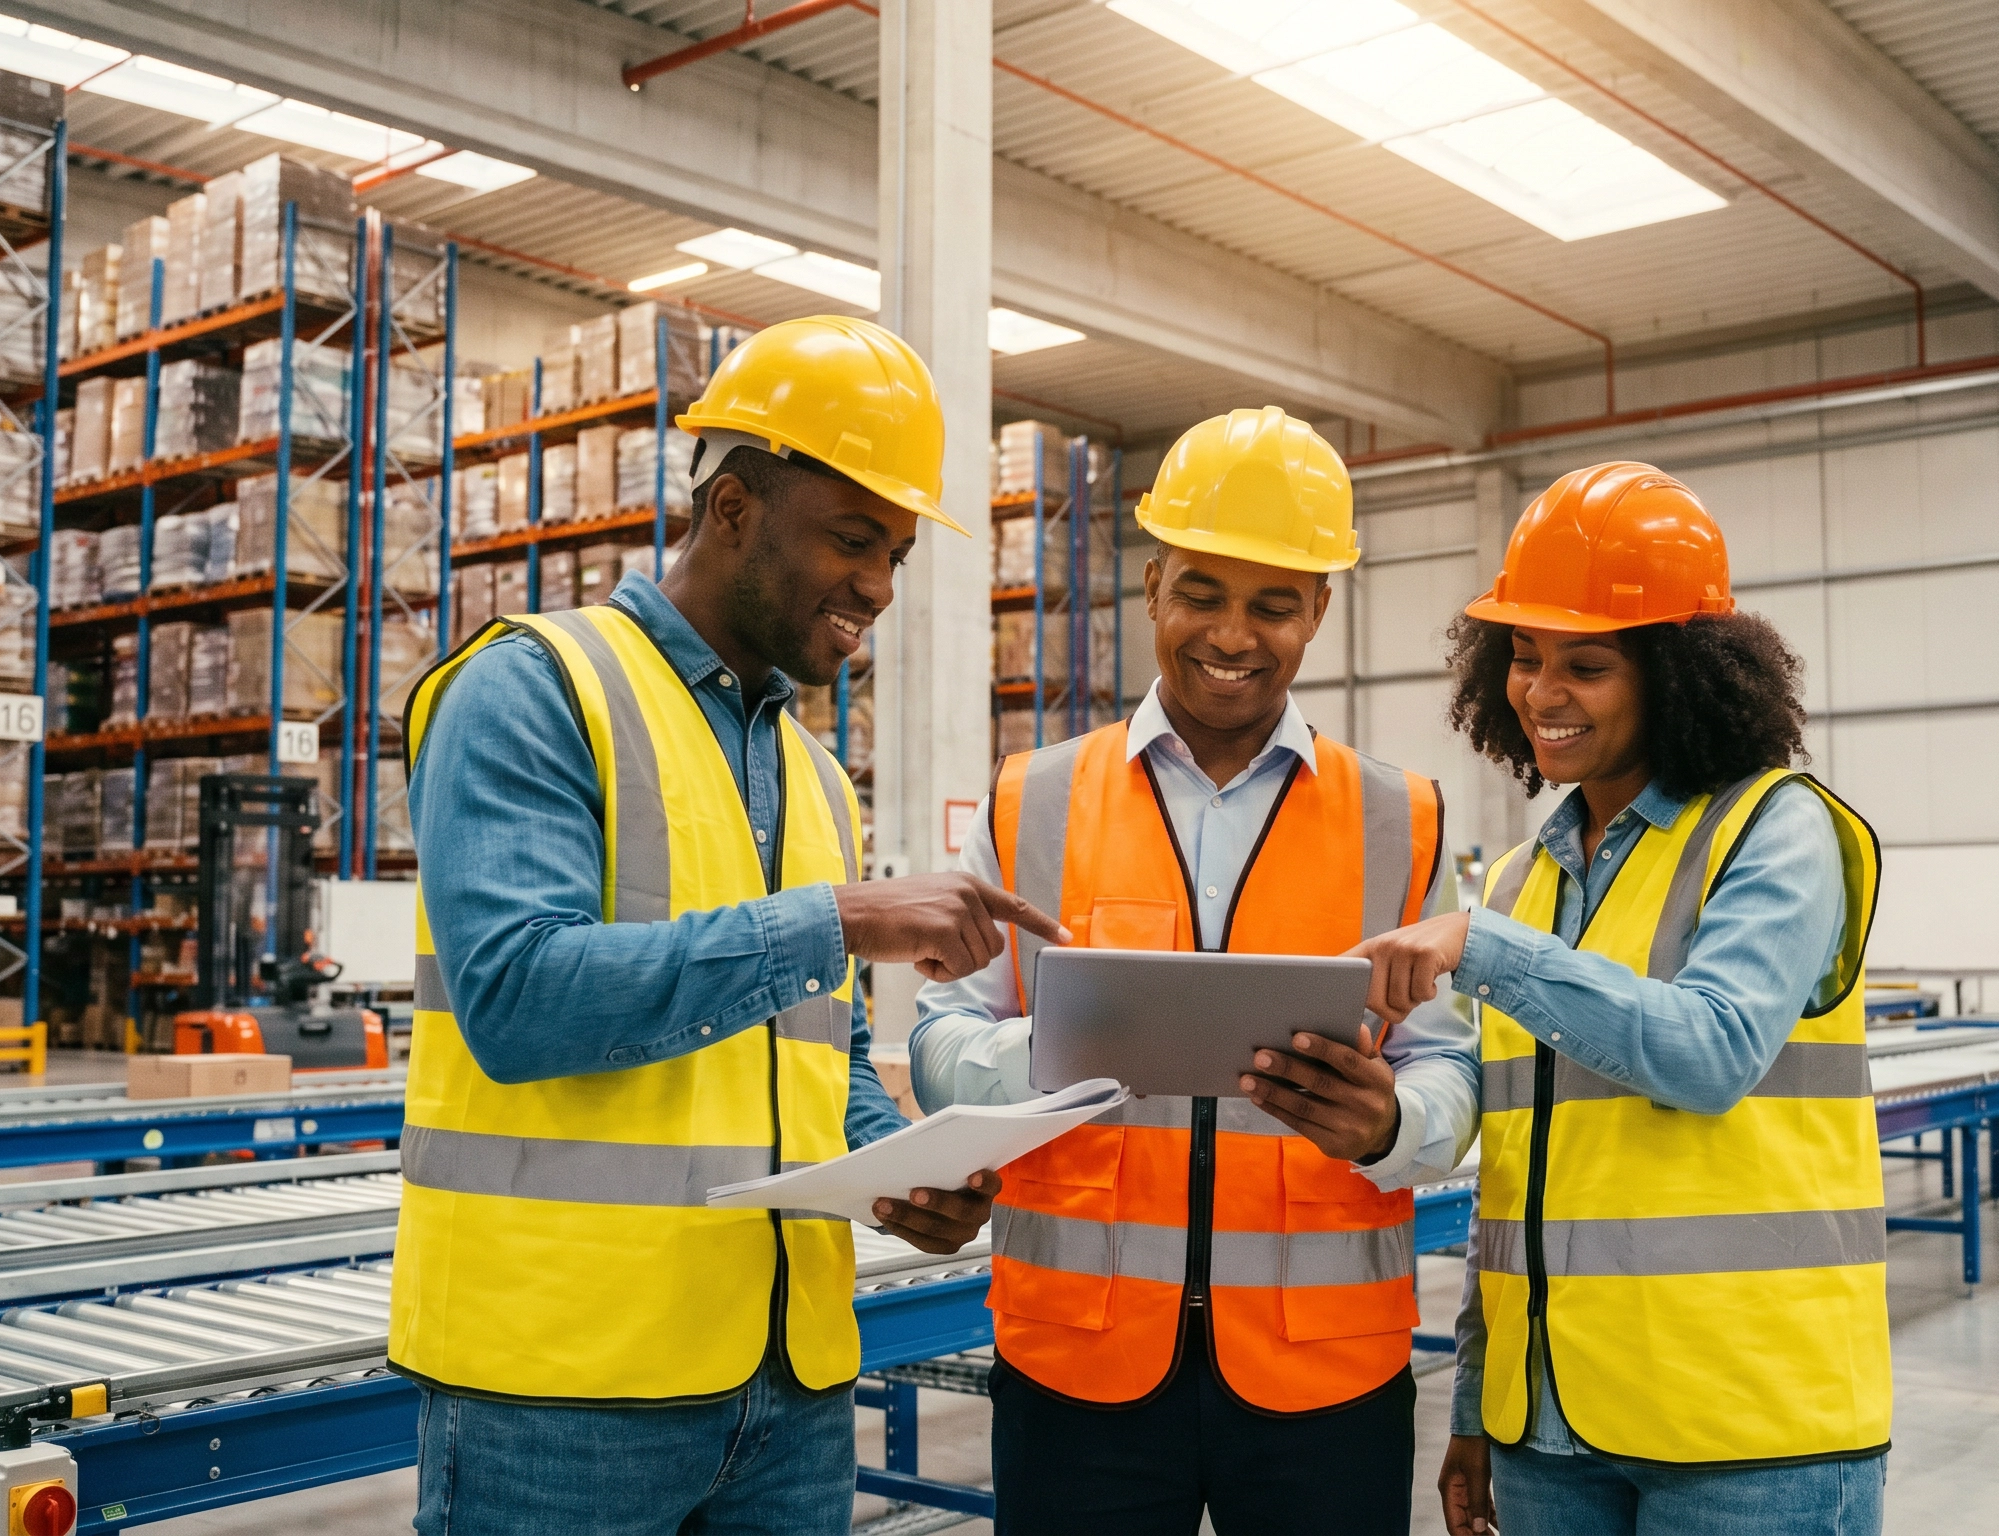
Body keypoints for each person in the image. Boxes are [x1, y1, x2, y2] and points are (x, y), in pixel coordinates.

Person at [393, 315, 1066, 1536]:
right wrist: (840, 918)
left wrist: (903, 1171)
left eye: (898, 556)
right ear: (736, 507)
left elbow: (814, 1056)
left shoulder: (815, 777)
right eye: (853, 539)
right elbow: (517, 999)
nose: (877, 585)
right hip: (563, 1390)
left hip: (788, 1383)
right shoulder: (533, 688)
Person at [911, 406, 1480, 1536]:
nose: (1233, 633)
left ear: (1318, 608)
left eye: (1274, 605)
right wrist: (1060, 1055)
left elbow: (1454, 1074)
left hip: (1324, 1380)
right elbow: (935, 1044)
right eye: (1202, 593)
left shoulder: (1398, 819)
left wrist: (1387, 1126)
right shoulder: (1032, 800)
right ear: (1152, 584)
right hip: (1081, 1369)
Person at [1346, 462, 1888, 1535]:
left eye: (1585, 665)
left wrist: (1489, 952)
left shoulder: (1775, 831)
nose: (1541, 694)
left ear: (1677, 674)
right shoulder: (1514, 884)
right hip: (1549, 1429)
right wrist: (1475, 1403)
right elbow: (1514, 1176)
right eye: (1525, 658)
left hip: (1746, 1433)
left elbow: (1709, 1052)